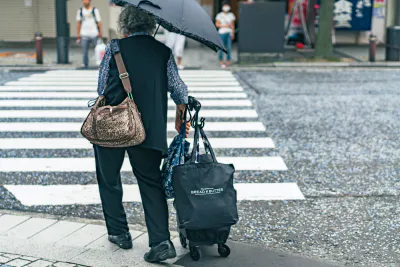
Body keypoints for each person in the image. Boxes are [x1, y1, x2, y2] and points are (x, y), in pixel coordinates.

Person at [94, 6, 190, 263]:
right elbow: (179, 90)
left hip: (112, 124)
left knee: (109, 179)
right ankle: (160, 242)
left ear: (125, 26)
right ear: (150, 27)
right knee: (150, 182)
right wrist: (180, 115)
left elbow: (101, 85)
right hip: (148, 127)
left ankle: (119, 233)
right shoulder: (163, 52)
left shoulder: (114, 49)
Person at [76, 0, 103, 68]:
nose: (85, 1)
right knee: (84, 51)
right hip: (84, 33)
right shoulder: (80, 11)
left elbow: (99, 22)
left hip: (94, 33)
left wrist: (100, 32)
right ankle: (85, 64)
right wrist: (78, 34)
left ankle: (100, 62)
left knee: (98, 49)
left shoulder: (95, 10)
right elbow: (79, 23)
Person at [215, 2, 236, 68]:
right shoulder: (219, 15)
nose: (226, 7)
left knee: (229, 48)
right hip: (221, 33)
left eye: (227, 6)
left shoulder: (231, 15)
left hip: (229, 33)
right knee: (221, 48)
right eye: (225, 6)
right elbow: (217, 24)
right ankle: (221, 61)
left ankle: (228, 61)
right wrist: (225, 25)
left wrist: (233, 33)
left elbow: (232, 25)